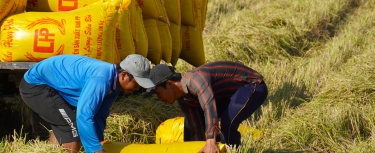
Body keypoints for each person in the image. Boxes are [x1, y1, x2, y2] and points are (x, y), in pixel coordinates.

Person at [20, 54, 154, 153]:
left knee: (67, 125)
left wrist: (100, 143)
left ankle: (49, 150)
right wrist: (95, 150)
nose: (137, 89)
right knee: (71, 128)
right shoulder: (101, 79)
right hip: (36, 85)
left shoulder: (114, 86)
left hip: (53, 86)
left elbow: (99, 114)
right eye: (136, 84)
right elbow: (84, 115)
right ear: (124, 75)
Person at [143, 61, 268, 153]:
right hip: (227, 96)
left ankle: (234, 151)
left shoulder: (197, 79)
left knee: (227, 122)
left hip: (251, 86)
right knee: (189, 128)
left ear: (170, 84)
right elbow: (197, 130)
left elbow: (209, 106)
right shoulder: (184, 100)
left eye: (158, 93)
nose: (159, 99)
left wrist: (210, 141)